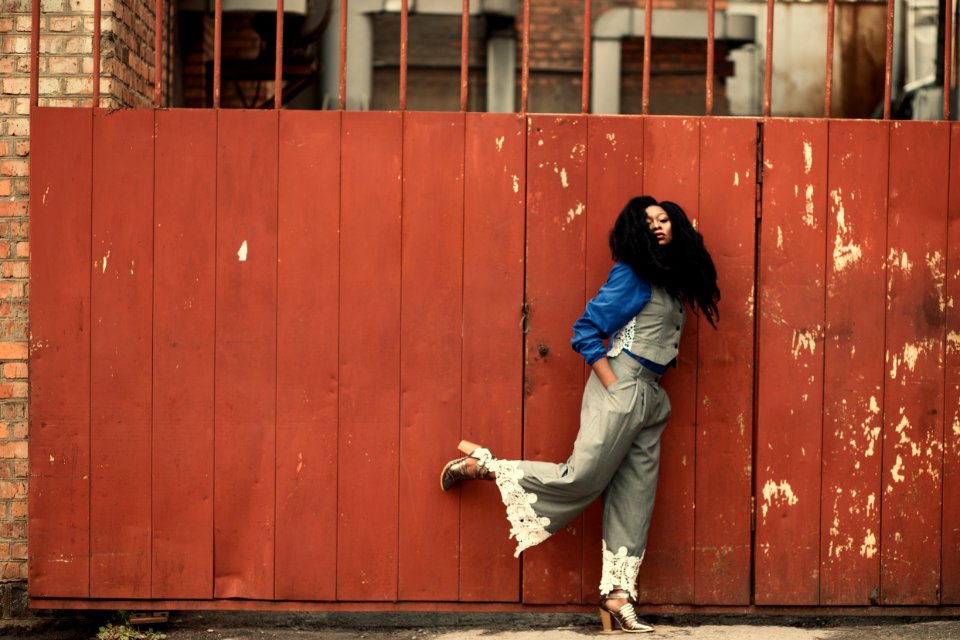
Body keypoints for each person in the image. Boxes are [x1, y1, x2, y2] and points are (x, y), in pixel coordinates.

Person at [440, 196, 720, 634]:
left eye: (665, 220)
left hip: (652, 397)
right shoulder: (632, 274)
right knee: (583, 476)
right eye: (649, 222)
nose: (658, 226)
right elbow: (586, 330)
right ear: (635, 231)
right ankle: (484, 466)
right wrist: (615, 385)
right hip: (624, 385)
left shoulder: (670, 282)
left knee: (635, 498)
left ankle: (617, 598)